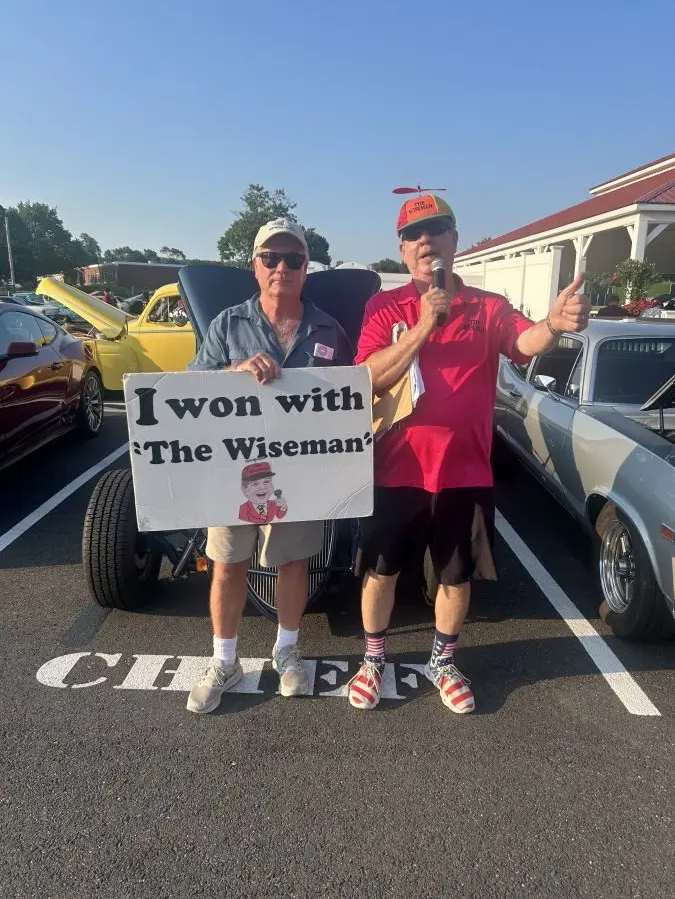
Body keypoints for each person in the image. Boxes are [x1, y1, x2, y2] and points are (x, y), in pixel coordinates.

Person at [348, 194, 590, 714]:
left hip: (464, 471)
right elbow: (368, 377)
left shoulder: (488, 306)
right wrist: (423, 326)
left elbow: (525, 341)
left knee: (455, 577)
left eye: (436, 229)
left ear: (455, 240)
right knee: (382, 572)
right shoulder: (383, 307)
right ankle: (373, 659)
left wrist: (553, 324)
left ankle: (442, 662)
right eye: (413, 234)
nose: (425, 241)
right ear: (401, 247)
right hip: (396, 470)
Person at [186, 218, 353, 714]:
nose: (282, 267)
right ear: (255, 266)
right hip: (234, 468)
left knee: (293, 562)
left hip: (300, 471)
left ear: (306, 268)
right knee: (227, 562)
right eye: (271, 258)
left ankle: (287, 652)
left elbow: (350, 398)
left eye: (293, 259)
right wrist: (233, 373)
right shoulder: (227, 324)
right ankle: (225, 661)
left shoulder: (329, 329)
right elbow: (189, 387)